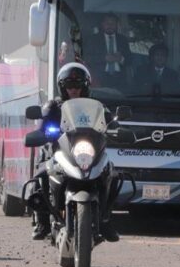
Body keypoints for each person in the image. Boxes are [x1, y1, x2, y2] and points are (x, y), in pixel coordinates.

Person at [31, 62, 119, 242]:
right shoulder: (52, 106)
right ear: (62, 87)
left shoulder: (98, 106)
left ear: (85, 86)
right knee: (41, 173)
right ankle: (42, 222)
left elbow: (111, 123)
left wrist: (116, 128)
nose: (73, 89)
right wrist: (43, 133)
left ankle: (105, 219)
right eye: (69, 85)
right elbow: (40, 128)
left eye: (77, 85)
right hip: (59, 150)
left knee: (112, 174)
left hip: (87, 151)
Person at [86, 13, 131, 89]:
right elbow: (87, 59)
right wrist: (104, 58)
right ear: (102, 24)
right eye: (107, 23)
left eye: (113, 23)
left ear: (117, 25)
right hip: (99, 79)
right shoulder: (93, 40)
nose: (110, 26)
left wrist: (121, 59)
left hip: (120, 80)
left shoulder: (123, 40)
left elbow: (130, 60)